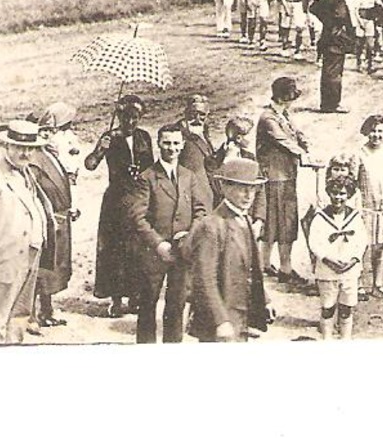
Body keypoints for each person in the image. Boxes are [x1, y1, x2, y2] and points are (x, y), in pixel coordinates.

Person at [127, 123, 211, 343]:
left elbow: (201, 210)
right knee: (148, 305)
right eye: (166, 143)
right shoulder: (147, 177)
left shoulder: (188, 176)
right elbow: (138, 218)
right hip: (153, 253)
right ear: (158, 144)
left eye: (175, 143)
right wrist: (158, 244)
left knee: (177, 304)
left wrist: (189, 238)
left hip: (183, 252)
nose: (171, 148)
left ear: (182, 145)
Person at [0, 120, 51, 344]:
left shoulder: (26, 173)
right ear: (7, 146)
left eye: (29, 148)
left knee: (19, 316)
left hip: (29, 255)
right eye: (19, 147)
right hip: (2, 260)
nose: (25, 153)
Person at [187, 157, 272, 342]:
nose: (249, 195)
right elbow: (203, 278)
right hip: (222, 319)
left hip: (242, 315)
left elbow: (249, 267)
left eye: (253, 188)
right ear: (225, 188)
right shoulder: (212, 225)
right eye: (242, 188)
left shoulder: (245, 219)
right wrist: (220, 321)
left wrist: (264, 299)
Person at [85, 96, 152, 317]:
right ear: (120, 117)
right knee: (114, 248)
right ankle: (115, 299)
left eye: (135, 118)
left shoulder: (144, 137)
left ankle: (134, 296)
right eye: (126, 117)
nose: (130, 122)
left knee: (137, 247)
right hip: (115, 200)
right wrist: (99, 150)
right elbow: (90, 165)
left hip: (139, 198)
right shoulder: (109, 137)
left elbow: (150, 166)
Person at [26, 102, 80, 330]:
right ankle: (31, 316)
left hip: (60, 218)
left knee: (52, 269)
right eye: (43, 131)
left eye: (50, 130)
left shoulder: (50, 153)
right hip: (48, 220)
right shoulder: (33, 160)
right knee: (41, 270)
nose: (48, 134)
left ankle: (46, 312)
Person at [256, 77, 311, 282]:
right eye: (289, 98)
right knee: (278, 221)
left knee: (281, 220)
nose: (291, 102)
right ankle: (278, 267)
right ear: (282, 97)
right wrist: (303, 154)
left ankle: (271, 264)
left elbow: (294, 132)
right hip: (274, 176)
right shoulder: (268, 118)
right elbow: (282, 139)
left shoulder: (282, 114)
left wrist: (303, 140)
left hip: (286, 174)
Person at [305, 168, 369, 340]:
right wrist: (328, 259)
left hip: (350, 270)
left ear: (348, 195)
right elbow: (314, 242)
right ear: (329, 194)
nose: (338, 198)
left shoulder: (354, 217)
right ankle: (327, 339)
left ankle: (345, 339)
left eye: (342, 194)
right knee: (328, 307)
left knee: (346, 308)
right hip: (327, 270)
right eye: (334, 193)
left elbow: (361, 241)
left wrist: (353, 260)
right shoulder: (320, 217)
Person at [356, 115, 383, 299]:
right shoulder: (360, 153)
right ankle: (357, 285)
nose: (376, 135)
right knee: (361, 247)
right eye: (373, 131)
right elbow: (355, 182)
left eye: (380, 131)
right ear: (366, 132)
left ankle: (377, 284)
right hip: (366, 206)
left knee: (379, 247)